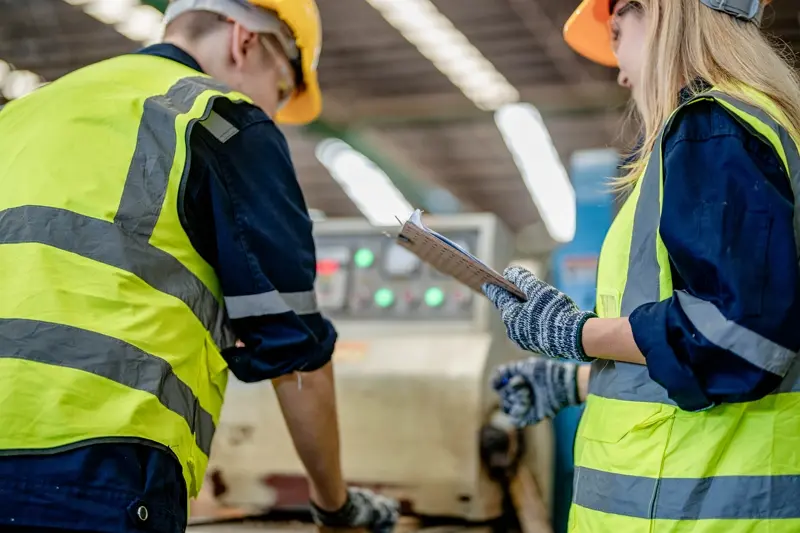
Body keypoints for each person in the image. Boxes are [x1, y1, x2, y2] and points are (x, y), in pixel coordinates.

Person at [0, 0, 399, 531]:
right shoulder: (219, 119)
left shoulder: (26, 111)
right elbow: (295, 352)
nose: (274, 111)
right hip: (95, 461)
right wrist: (335, 506)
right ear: (245, 41)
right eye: (282, 90)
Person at [484, 0, 800, 531]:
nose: (620, 70)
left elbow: (741, 340)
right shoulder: (758, 129)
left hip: (695, 515)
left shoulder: (713, 129)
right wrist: (580, 382)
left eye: (615, 32)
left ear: (660, 11)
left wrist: (576, 332)